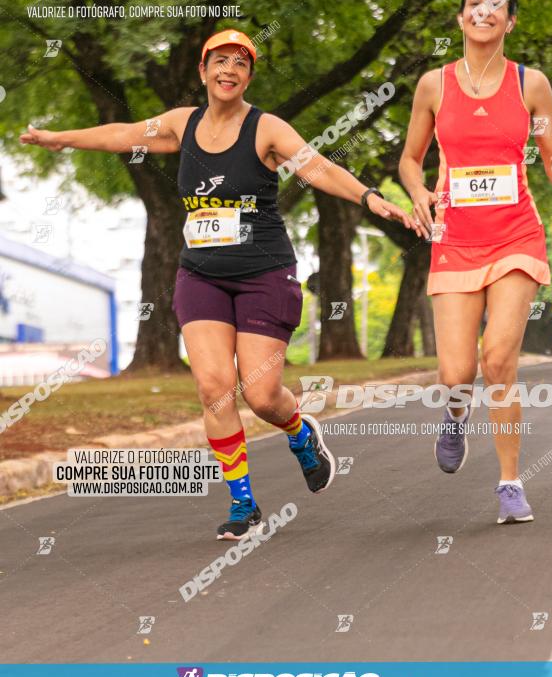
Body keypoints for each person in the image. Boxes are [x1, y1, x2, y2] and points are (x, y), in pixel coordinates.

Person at [21, 28, 419, 540]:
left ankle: (299, 432)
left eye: (240, 63)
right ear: (203, 71)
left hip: (264, 275)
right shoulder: (180, 126)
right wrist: (60, 139)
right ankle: (243, 504)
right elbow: (122, 134)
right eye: (220, 61)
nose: (229, 70)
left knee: (261, 395)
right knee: (213, 388)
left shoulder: (266, 129)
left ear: (249, 75)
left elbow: (317, 168)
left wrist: (368, 197)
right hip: (201, 277)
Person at [399, 0, 552, 524]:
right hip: (455, 238)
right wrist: (420, 193)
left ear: (511, 20)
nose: (484, 10)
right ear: (460, 18)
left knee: (498, 360)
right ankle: (455, 414)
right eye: (474, 3)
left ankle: (509, 483)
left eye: (496, 4)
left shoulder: (533, 85)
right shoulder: (433, 85)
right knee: (457, 373)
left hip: (515, 233)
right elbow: (409, 159)